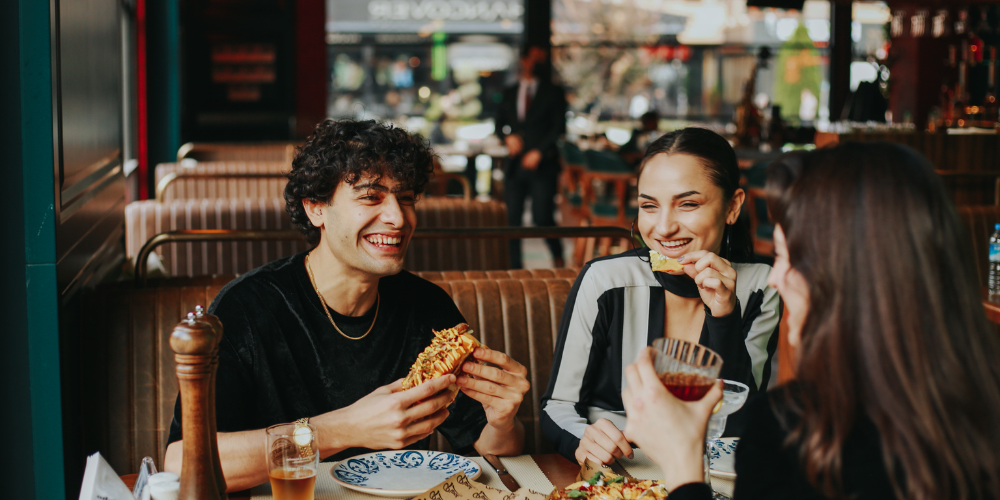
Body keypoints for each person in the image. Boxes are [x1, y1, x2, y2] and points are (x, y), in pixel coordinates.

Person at [163, 120, 530, 492]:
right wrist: (341, 429)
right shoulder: (247, 308)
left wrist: (503, 421)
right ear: (315, 208)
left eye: (405, 198)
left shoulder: (426, 307)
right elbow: (182, 462)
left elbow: (489, 446)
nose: (399, 218)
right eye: (371, 197)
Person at [622, 143, 1000, 500]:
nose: (776, 277)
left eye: (786, 257)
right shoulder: (981, 404)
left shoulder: (791, 433)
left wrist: (683, 465)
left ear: (846, 273)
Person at [540, 128, 782, 465]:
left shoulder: (760, 288)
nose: (664, 227)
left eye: (688, 204)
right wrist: (586, 440)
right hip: (617, 473)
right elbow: (558, 407)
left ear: (732, 207)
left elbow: (737, 424)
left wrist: (724, 316)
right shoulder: (605, 280)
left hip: (707, 475)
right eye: (649, 206)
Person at [495, 44, 568, 268]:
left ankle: (558, 257)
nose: (537, 64)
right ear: (524, 60)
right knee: (512, 220)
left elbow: (558, 127)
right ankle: (514, 267)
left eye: (542, 60)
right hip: (515, 166)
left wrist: (539, 151)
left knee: (542, 216)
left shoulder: (553, 92)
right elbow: (499, 125)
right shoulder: (509, 91)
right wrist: (507, 138)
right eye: (534, 59)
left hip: (543, 165)